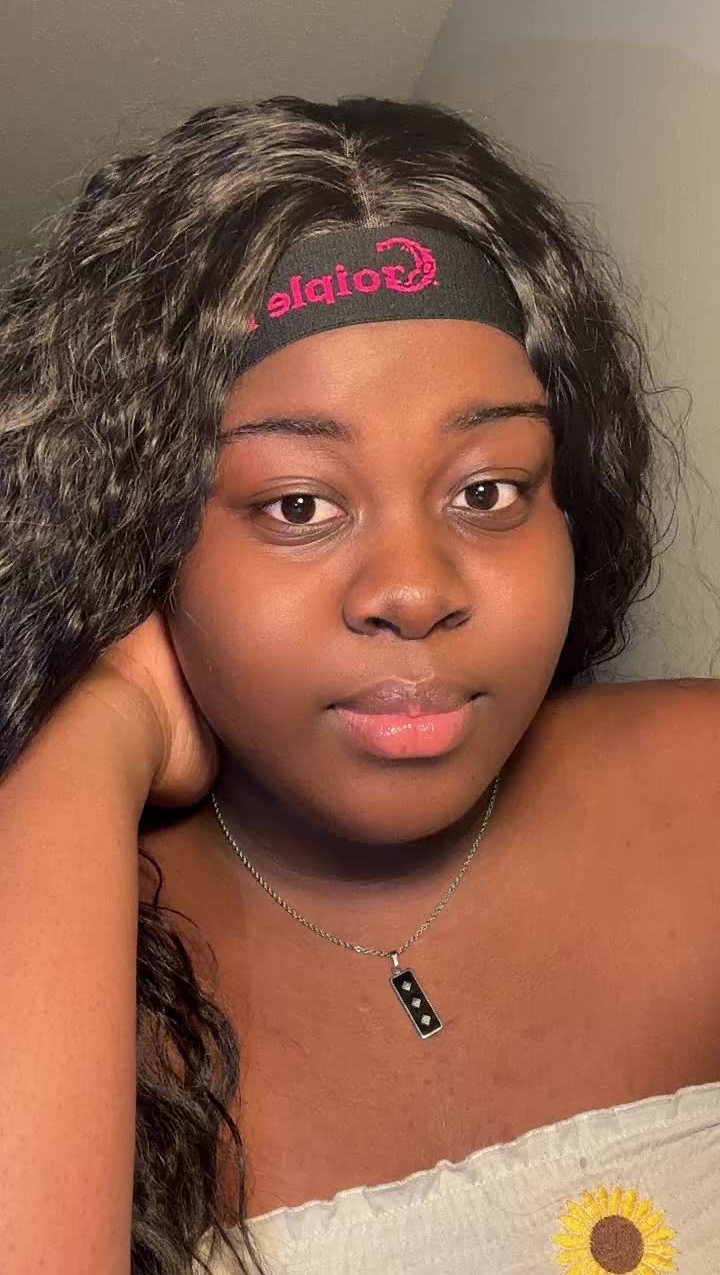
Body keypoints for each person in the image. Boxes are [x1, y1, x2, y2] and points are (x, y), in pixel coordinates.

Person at [1, 94, 718, 1275]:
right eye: (297, 503)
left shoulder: (705, 787)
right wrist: (91, 734)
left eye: (486, 490)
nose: (414, 589)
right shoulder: (57, 922)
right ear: (139, 543)